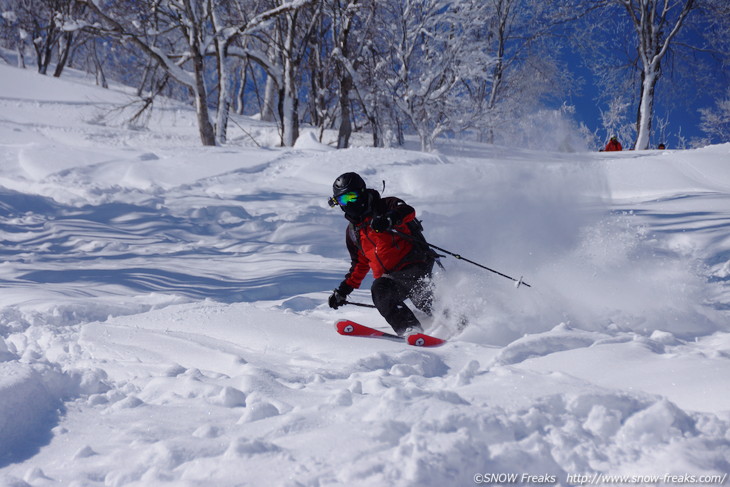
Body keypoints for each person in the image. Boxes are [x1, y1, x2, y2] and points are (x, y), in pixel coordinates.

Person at [327, 172, 437, 337]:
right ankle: (411, 330)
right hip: (390, 278)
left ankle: (461, 321)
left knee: (423, 299)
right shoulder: (353, 231)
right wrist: (343, 290)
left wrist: (389, 219)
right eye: (343, 200)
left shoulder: (385, 206)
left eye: (352, 197)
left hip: (415, 265)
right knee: (380, 291)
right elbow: (360, 264)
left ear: (362, 193)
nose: (349, 203)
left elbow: (407, 211)